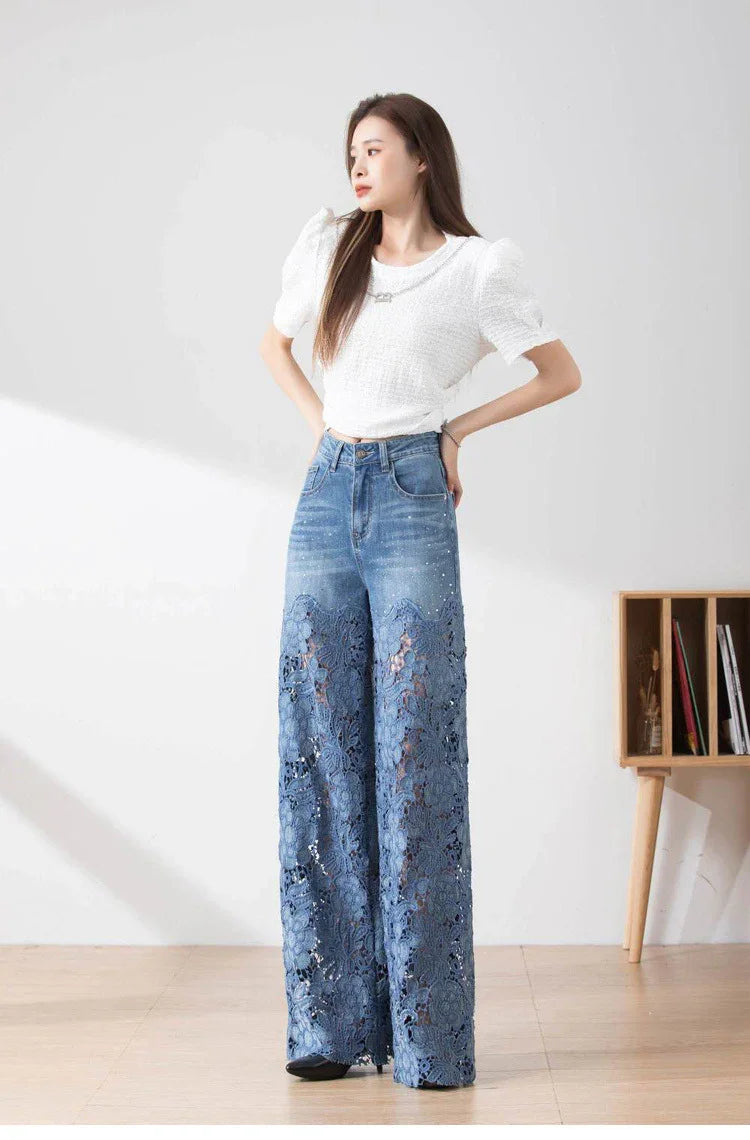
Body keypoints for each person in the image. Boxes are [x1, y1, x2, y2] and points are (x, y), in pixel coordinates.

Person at [259, 92, 581, 1092]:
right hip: (326, 499)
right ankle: (327, 1024)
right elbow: (275, 344)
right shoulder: (328, 246)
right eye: (350, 151)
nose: (357, 166)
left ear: (420, 161)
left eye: (374, 150)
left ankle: (431, 1039)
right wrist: (323, 426)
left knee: (414, 754)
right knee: (318, 748)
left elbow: (559, 371)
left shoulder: (479, 269)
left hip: (408, 501)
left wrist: (455, 432)